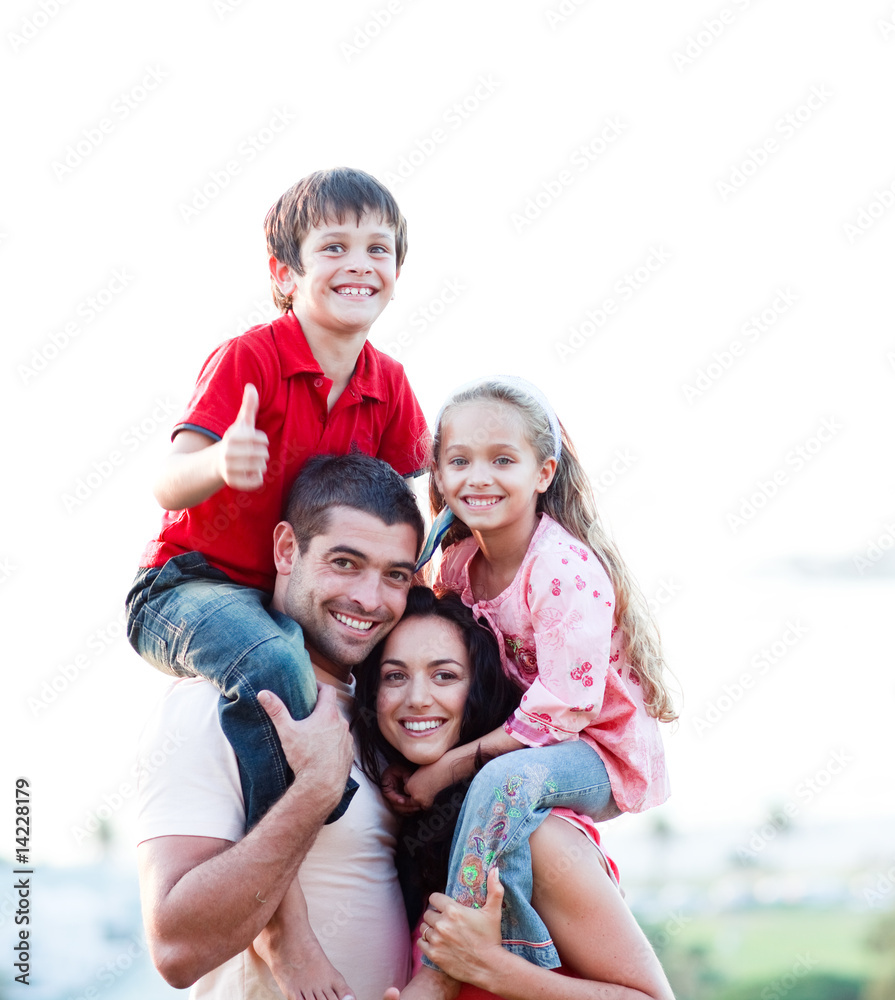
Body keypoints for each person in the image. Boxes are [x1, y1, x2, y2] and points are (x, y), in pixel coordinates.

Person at [126, 166, 430, 831]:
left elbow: (414, 510)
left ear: (396, 274)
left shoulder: (389, 383)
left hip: (291, 598)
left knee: (438, 642)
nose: (360, 263)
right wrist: (218, 462)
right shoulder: (251, 359)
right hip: (187, 588)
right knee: (271, 661)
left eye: (378, 248)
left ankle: (424, 807)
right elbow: (166, 480)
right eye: (334, 247)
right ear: (285, 272)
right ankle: (302, 825)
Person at [388, 376, 677, 991]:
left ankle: (470, 963)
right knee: (501, 790)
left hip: (596, 753)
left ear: (543, 472)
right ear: (437, 474)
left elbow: (563, 713)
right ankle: (515, 933)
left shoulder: (562, 570)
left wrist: (446, 767)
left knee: (502, 781)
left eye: (502, 460)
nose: (478, 478)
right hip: (528, 751)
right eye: (459, 461)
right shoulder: (461, 565)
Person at [135, 453, 425, 1000]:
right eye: (345, 563)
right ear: (287, 549)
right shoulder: (210, 705)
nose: (369, 597)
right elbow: (175, 949)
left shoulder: (377, 707)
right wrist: (314, 792)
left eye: (395, 575)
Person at [353, 587, 675, 1000]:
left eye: (445, 675)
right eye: (395, 676)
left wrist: (492, 969)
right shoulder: (415, 827)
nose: (416, 699)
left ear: (481, 689)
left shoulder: (537, 837)